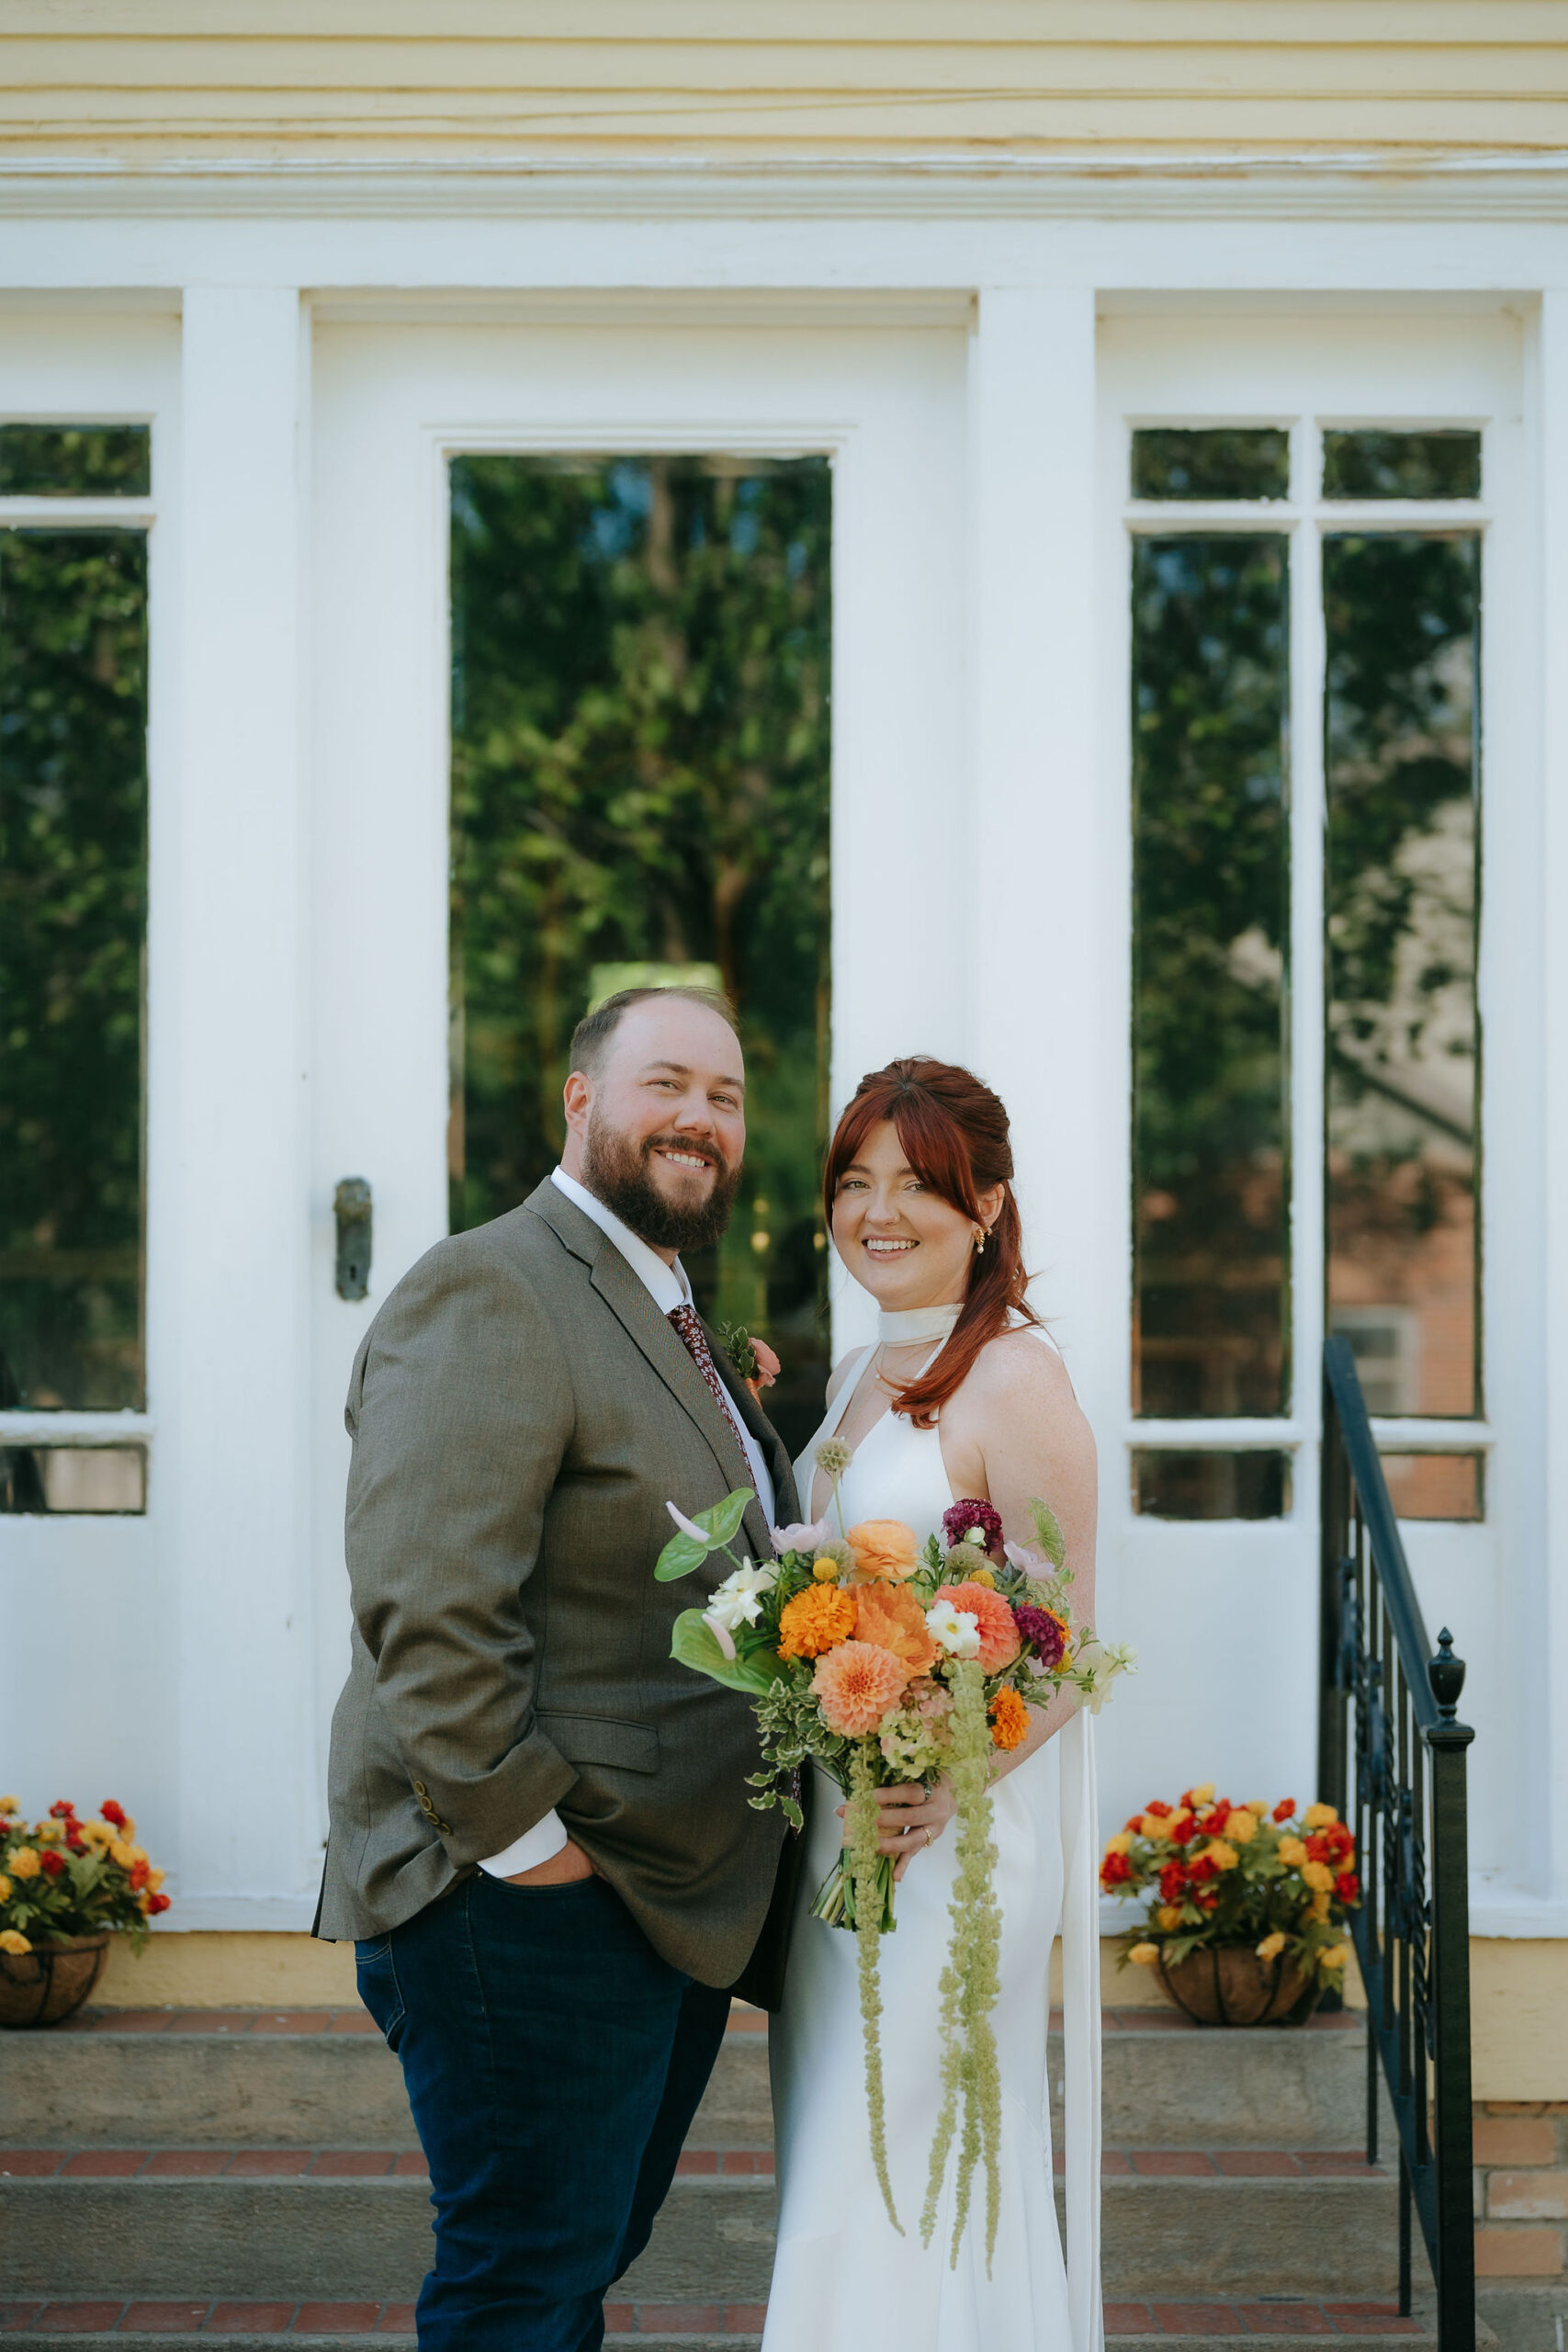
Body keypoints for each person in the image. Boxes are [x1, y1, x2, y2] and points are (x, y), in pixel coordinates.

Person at [313, 986, 804, 2352]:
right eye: (666, 1084)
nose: (700, 1118)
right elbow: (428, 1603)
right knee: (522, 2285)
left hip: (650, 1892)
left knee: (568, 2268)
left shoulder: (664, 1303)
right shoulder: (493, 1284)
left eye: (724, 1096)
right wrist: (532, 1853)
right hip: (524, 1891)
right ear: (580, 1099)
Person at [764, 1056, 1104, 2352]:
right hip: (844, 1835)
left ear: (987, 1205)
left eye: (915, 1183)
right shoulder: (861, 1367)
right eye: (854, 1181)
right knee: (842, 2156)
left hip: (948, 1841)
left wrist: (947, 1777)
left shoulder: (1016, 1378)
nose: (877, 1212)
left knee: (916, 2159)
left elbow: (1068, 1642)